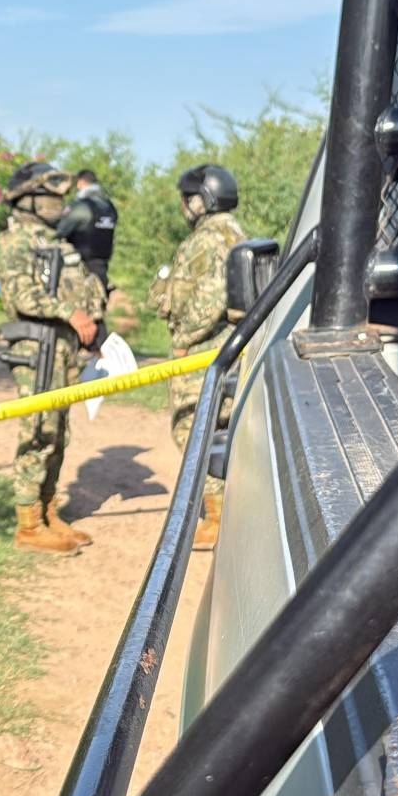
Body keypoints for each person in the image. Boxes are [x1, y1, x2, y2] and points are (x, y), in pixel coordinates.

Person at [0, 161, 107, 555]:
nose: (58, 203)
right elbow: (21, 295)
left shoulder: (51, 238)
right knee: (38, 430)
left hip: (62, 349)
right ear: (28, 200)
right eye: (49, 196)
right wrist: (70, 314)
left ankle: (47, 511)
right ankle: (28, 525)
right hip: (37, 349)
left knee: (58, 432)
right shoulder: (16, 240)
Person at [150, 163, 247, 549]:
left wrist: (183, 340)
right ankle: (226, 509)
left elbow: (209, 298)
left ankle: (218, 515)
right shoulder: (232, 232)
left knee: (191, 427)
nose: (184, 206)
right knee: (219, 427)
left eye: (188, 198)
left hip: (204, 347)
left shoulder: (208, 238)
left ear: (203, 198)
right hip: (226, 343)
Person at [54, 169, 118, 294]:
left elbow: (59, 232)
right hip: (102, 268)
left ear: (81, 182)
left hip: (80, 269)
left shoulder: (80, 206)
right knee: (98, 307)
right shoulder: (110, 206)